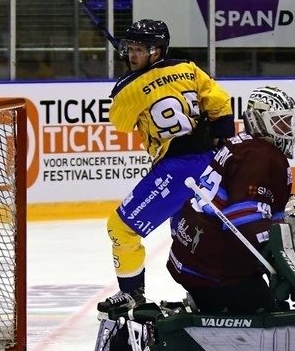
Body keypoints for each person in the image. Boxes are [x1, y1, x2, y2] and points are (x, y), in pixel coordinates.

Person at [97, 19, 235, 314]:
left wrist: (132, 82)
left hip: (177, 169)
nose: (132, 55)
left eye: (138, 50)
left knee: (121, 228)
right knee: (189, 235)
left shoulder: (128, 88)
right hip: (212, 162)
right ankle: (212, 296)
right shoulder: (187, 68)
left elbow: (120, 123)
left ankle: (132, 294)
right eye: (130, 49)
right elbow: (221, 105)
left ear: (156, 52)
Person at [167, 85, 295, 312]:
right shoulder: (263, 156)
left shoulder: (241, 143)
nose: (286, 130)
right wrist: (285, 266)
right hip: (213, 270)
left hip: (188, 257)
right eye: (279, 122)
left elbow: (240, 205)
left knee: (266, 298)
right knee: (269, 314)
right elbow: (244, 220)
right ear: (259, 120)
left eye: (288, 122)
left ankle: (205, 305)